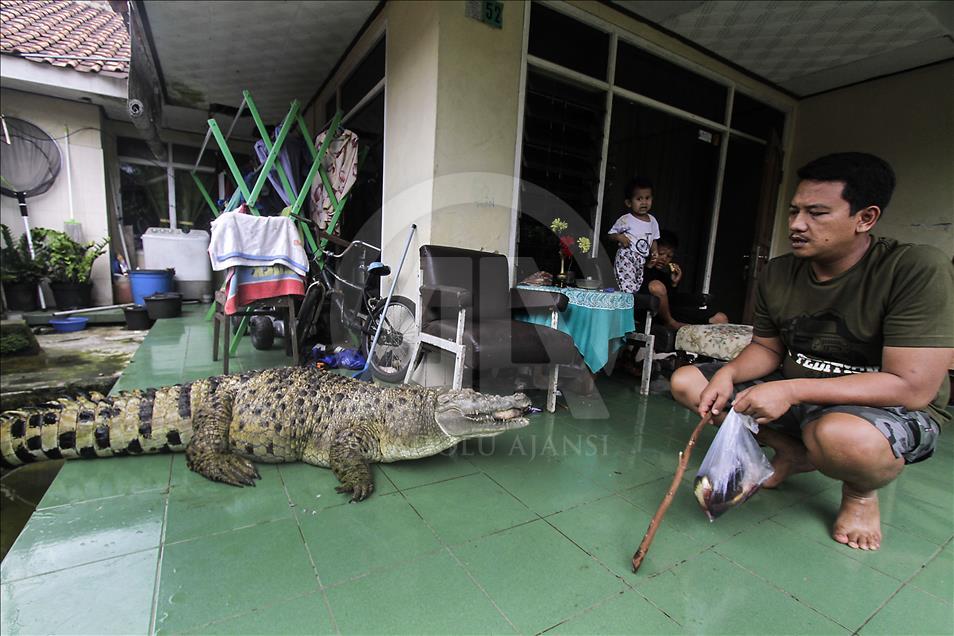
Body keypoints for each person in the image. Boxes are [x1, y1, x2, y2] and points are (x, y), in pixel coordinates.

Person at [670, 152, 954, 551]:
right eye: (794, 211)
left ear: (865, 218)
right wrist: (728, 374)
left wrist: (791, 391)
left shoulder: (913, 269)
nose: (797, 225)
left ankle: (859, 494)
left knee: (840, 437)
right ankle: (793, 452)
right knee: (688, 382)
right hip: (800, 390)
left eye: (817, 213)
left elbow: (912, 388)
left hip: (884, 408)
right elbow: (767, 349)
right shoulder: (780, 271)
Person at [640, 230, 729, 328]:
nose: (664, 258)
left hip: (673, 311)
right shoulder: (639, 268)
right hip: (653, 314)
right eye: (661, 254)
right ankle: (670, 322)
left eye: (669, 256)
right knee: (657, 286)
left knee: (720, 318)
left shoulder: (664, 275)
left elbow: (672, 300)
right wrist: (649, 266)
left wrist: (674, 283)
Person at [607, 176, 659, 294]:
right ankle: (626, 308)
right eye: (639, 199)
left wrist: (654, 252)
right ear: (629, 203)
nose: (644, 202)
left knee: (637, 286)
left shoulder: (653, 221)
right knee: (627, 289)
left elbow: (654, 239)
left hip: (641, 260)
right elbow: (610, 235)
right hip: (626, 257)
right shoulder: (626, 219)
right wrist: (619, 237)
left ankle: (629, 308)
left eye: (647, 198)